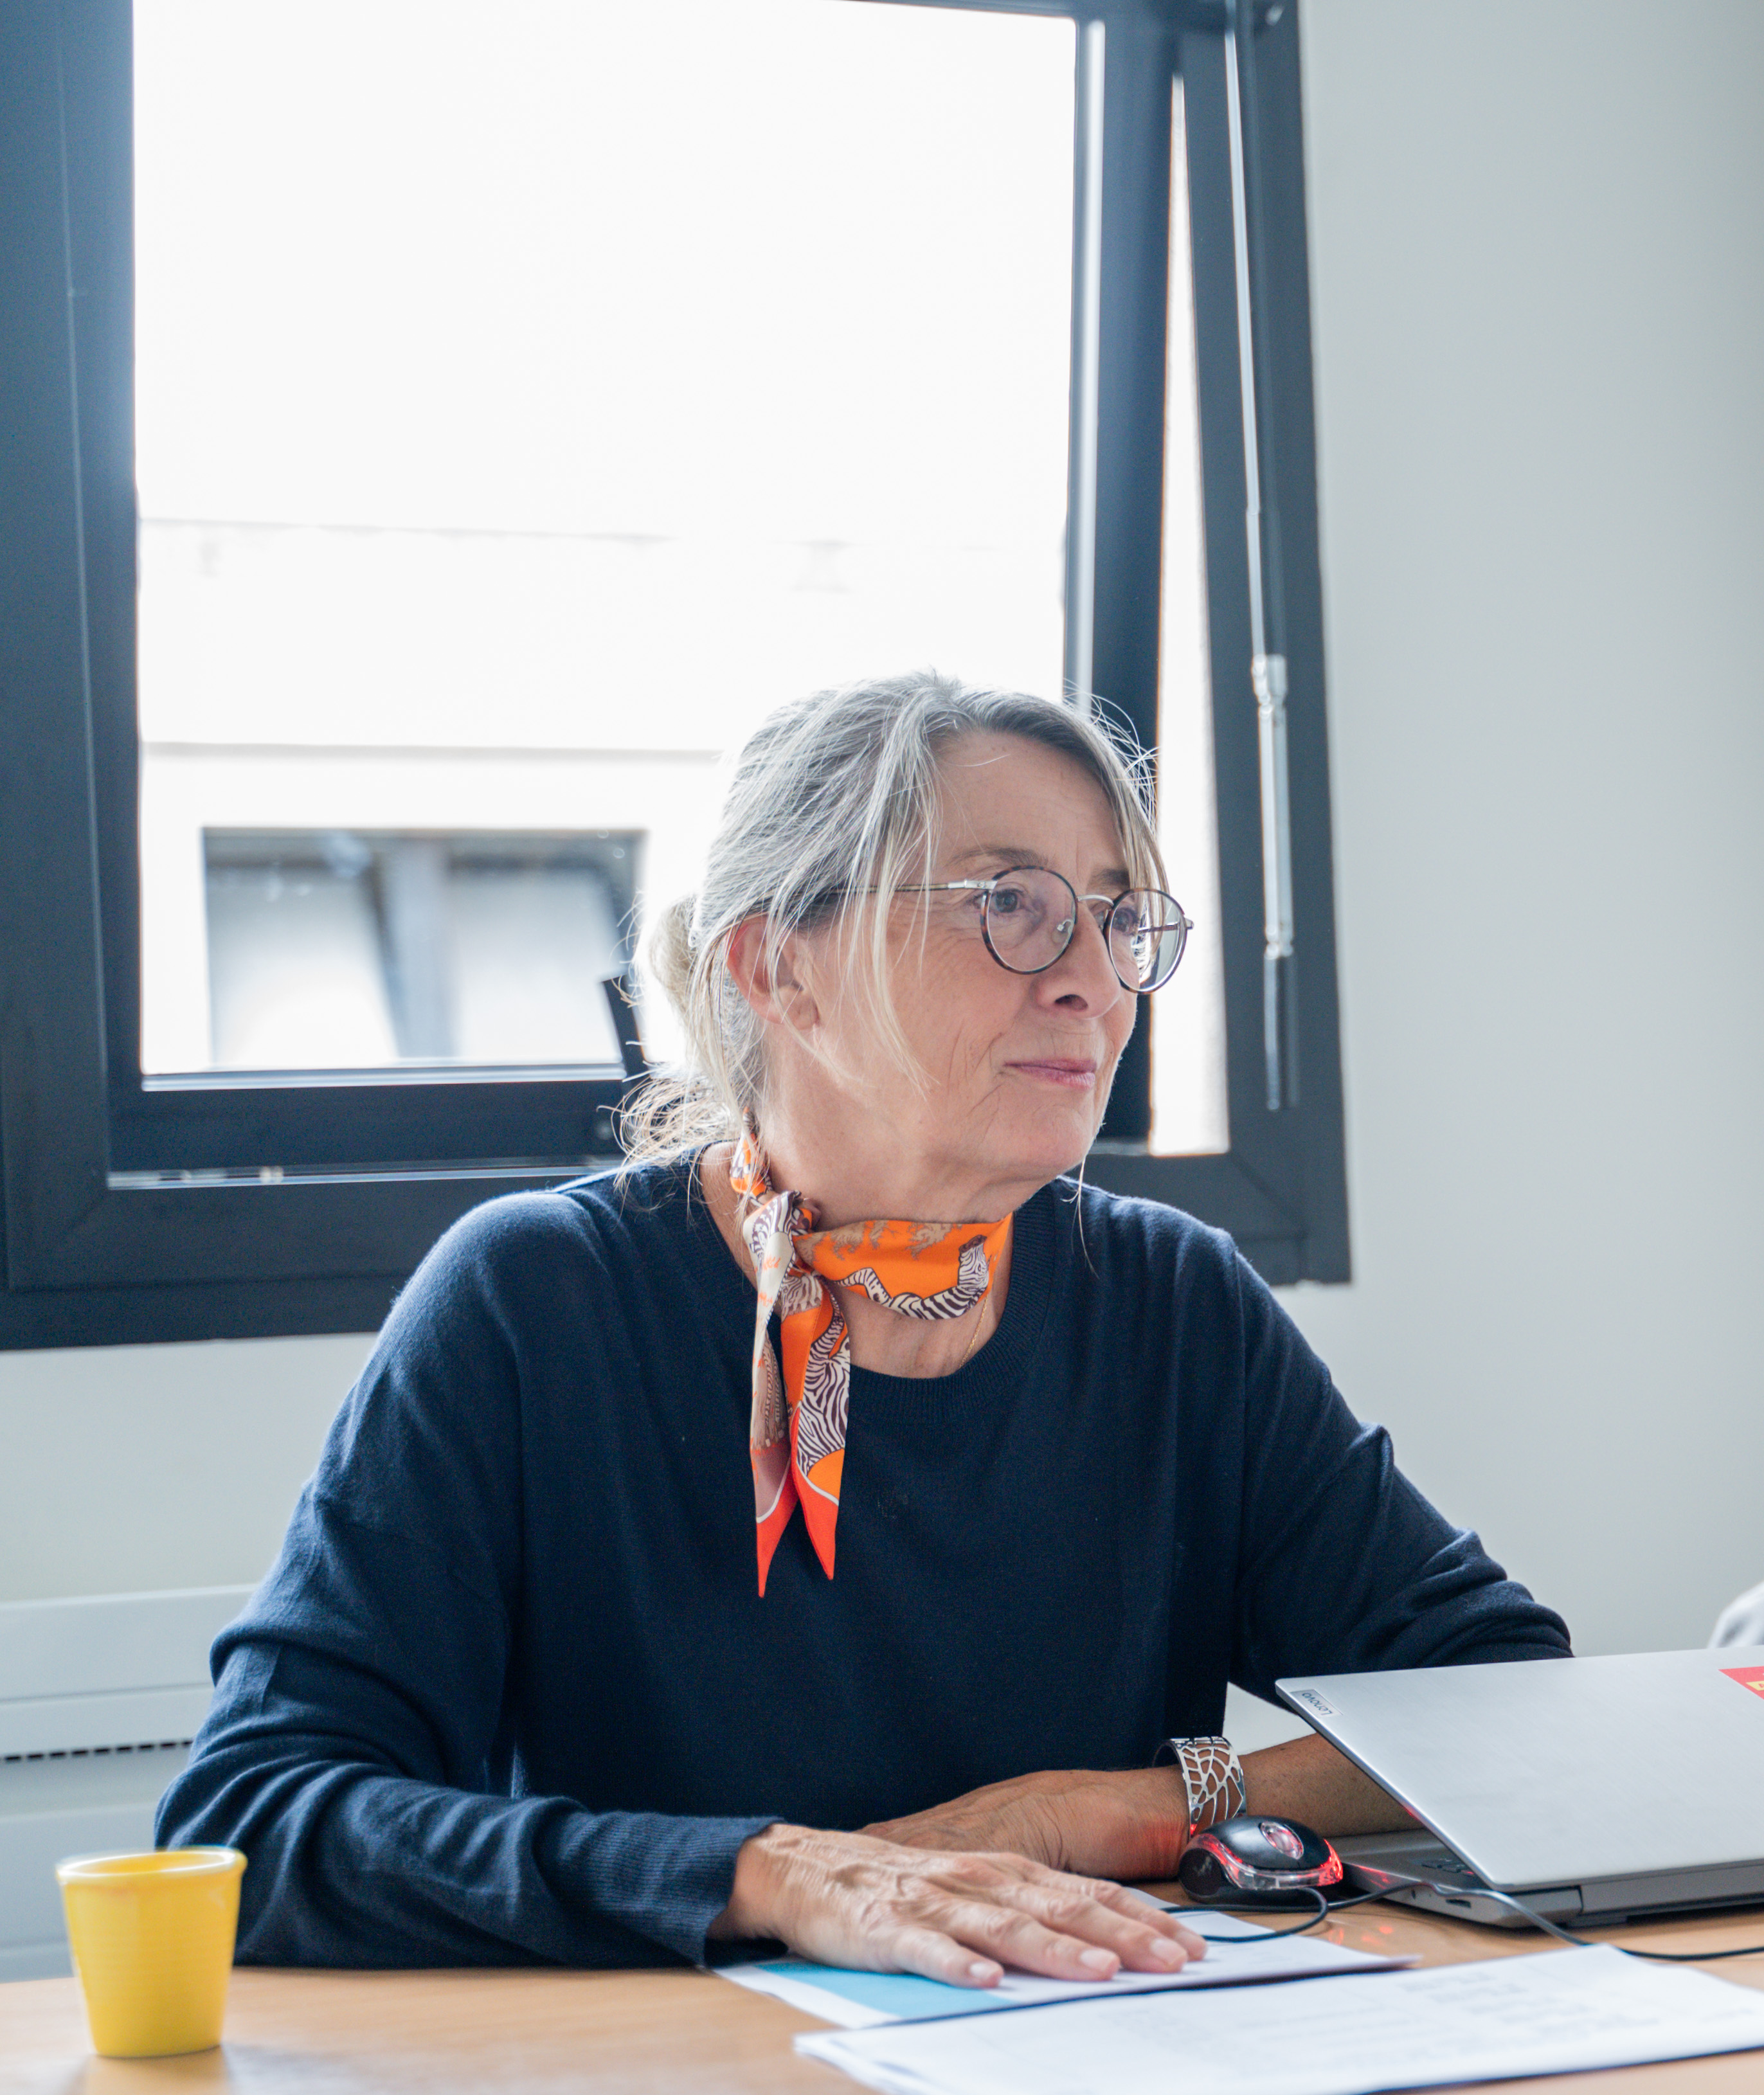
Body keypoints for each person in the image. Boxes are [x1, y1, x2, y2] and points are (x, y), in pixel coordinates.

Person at [163, 676, 1568, 1979]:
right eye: (1011, 904)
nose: (1092, 976)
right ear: (783, 970)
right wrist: (770, 1874)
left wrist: (1101, 1813)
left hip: (1089, 2072)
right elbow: (245, 1821)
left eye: (1119, 915)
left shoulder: (1175, 1302)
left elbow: (1502, 1710)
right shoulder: (539, 1300)